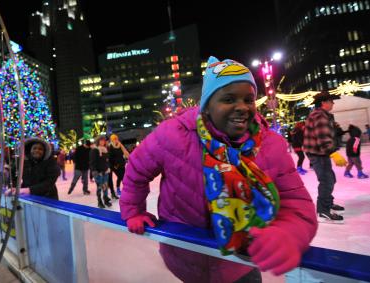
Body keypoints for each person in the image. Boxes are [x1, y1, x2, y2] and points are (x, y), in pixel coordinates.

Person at [120, 57, 318, 282]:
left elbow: (296, 203)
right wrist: (133, 211)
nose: (242, 107)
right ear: (207, 105)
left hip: (238, 266)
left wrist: (288, 234)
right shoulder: (173, 134)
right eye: (229, 99)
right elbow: (137, 168)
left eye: (248, 99)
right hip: (186, 258)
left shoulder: (270, 145)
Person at [303, 91, 347, 224]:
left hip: (320, 152)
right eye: (331, 101)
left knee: (330, 179)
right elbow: (322, 137)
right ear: (324, 103)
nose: (333, 103)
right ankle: (323, 211)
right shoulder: (320, 116)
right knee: (327, 181)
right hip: (318, 153)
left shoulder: (320, 115)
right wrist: (333, 152)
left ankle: (328, 203)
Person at [90, 136, 112, 208]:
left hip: (105, 171)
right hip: (98, 172)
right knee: (99, 187)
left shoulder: (105, 149)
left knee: (105, 186)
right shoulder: (95, 150)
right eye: (101, 140)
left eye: (104, 140)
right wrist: (96, 172)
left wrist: (108, 167)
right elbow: (93, 162)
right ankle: (99, 201)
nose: (103, 142)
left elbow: (107, 160)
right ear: (98, 141)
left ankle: (105, 199)